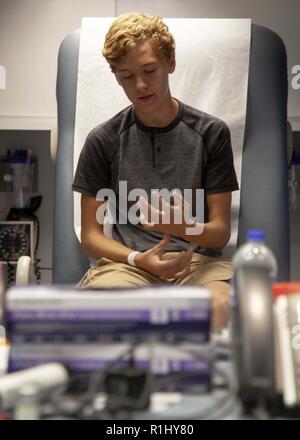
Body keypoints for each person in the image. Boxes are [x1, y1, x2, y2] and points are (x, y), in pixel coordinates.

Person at [72, 12, 239, 328]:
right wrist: (137, 258)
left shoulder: (211, 133)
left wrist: (182, 227)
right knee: (117, 310)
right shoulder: (103, 140)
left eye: (149, 70)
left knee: (218, 307)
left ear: (170, 62)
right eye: (127, 76)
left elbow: (219, 234)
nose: (141, 85)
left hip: (197, 265)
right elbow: (91, 237)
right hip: (128, 266)